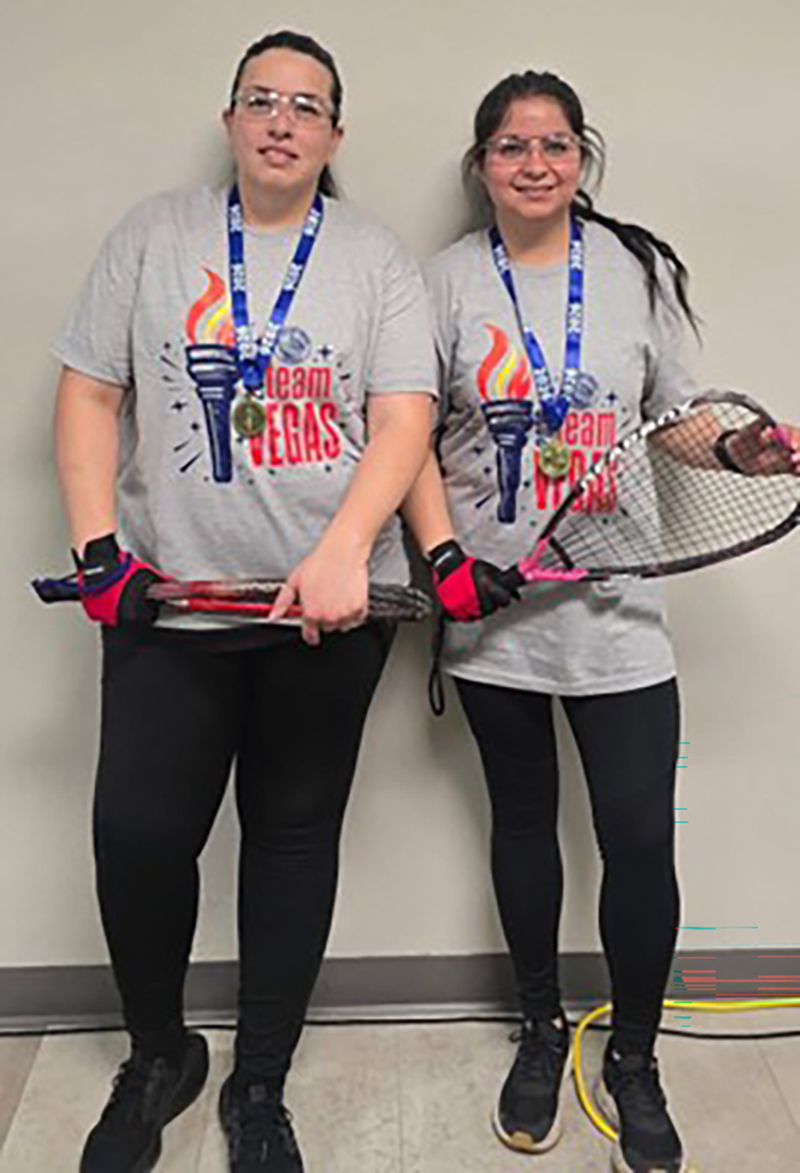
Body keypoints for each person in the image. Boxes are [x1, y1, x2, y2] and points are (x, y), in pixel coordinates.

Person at [49, 29, 436, 1173]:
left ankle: (259, 1081)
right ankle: (162, 1054)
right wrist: (97, 548)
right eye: (260, 99)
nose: (281, 120)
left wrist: (345, 551)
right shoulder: (153, 235)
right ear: (229, 120)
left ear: (333, 135)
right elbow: (88, 391)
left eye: (305, 105)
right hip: (168, 614)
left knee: (290, 840)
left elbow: (404, 418)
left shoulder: (374, 260)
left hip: (322, 623)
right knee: (138, 837)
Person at [403, 70, 799, 1173]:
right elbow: (411, 441)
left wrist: (739, 451)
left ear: (582, 159)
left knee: (634, 838)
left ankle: (632, 1055)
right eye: (510, 146)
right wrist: (444, 564)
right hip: (490, 615)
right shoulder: (436, 284)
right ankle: (536, 1030)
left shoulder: (633, 272)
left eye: (556, 145)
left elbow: (672, 424)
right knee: (520, 828)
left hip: (617, 611)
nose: (534, 164)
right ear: (481, 163)